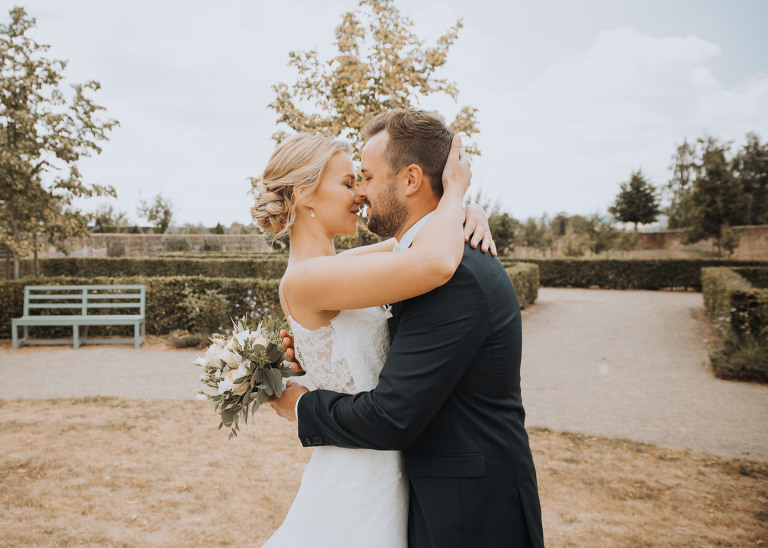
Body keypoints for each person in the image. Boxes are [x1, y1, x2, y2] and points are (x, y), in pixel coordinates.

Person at [269, 108, 544, 548]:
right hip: (376, 478)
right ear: (305, 195)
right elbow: (421, 258)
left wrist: (462, 206)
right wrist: (454, 199)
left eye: (365, 178)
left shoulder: (441, 267)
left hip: (460, 504)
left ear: (411, 180)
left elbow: (415, 252)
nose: (360, 192)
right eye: (349, 181)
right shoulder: (317, 277)